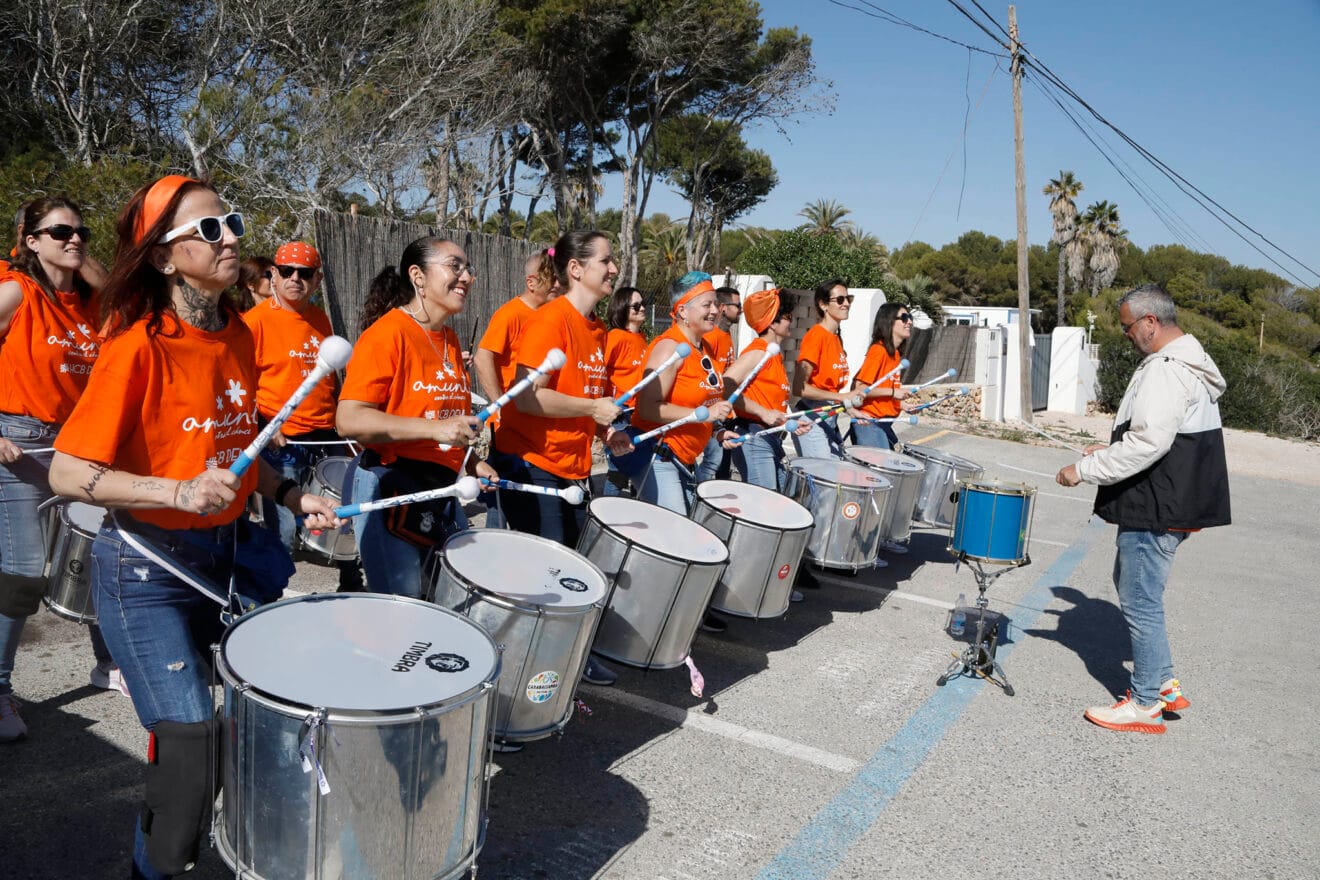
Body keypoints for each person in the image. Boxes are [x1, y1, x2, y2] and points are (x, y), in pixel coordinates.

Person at [48, 175, 341, 878]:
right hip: (146, 571)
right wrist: (174, 491)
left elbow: (237, 453)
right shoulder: (136, 344)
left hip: (228, 556)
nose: (231, 237)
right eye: (209, 230)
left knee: (268, 725)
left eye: (231, 221)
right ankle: (155, 867)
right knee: (190, 747)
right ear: (162, 257)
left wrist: (292, 494)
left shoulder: (238, 334)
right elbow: (66, 472)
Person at [1055, 284, 1230, 735]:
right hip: (1172, 497)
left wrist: (1085, 468)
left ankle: (1146, 701)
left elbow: (1151, 443)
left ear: (1151, 322)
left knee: (1139, 597)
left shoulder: (1168, 369)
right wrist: (1110, 446)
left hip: (1156, 502)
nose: (1127, 335)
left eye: (1128, 326)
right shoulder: (1187, 363)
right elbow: (1160, 436)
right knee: (1136, 588)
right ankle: (1164, 682)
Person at [0, 197, 122, 744]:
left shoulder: (94, 305)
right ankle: (0, 691)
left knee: (101, 552)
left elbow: (125, 293)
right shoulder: (17, 293)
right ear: (30, 241)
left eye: (81, 231)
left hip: (77, 446)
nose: (74, 240)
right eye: (59, 232)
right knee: (25, 569)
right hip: (20, 444)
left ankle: (106, 664)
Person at [489, 230, 631, 686]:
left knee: (567, 570)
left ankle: (556, 660)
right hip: (532, 463)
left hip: (572, 467)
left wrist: (606, 430)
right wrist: (592, 409)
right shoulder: (551, 320)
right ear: (575, 268)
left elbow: (585, 394)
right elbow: (528, 399)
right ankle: (520, 672)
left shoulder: (597, 330)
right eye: (605, 261)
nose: (613, 268)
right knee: (550, 577)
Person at [336, 236, 497, 599]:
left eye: (468, 268)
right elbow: (349, 419)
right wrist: (436, 429)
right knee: (403, 611)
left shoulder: (449, 340)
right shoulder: (387, 334)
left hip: (442, 486)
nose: (467, 277)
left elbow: (443, 414)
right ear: (418, 276)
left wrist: (471, 464)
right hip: (392, 485)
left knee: (446, 600)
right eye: (455, 266)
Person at [244, 241, 363, 591]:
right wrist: (264, 423)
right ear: (273, 275)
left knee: (342, 517)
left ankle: (352, 585)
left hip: (326, 436)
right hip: (283, 442)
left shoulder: (319, 318)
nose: (295, 279)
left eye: (305, 273)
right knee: (282, 530)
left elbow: (330, 379)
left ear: (317, 279)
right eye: (286, 271)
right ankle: (270, 597)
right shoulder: (255, 323)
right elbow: (237, 385)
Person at [633, 272, 735, 632]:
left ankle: (676, 612)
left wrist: (718, 430)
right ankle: (655, 619)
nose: (715, 311)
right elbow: (647, 408)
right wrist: (702, 415)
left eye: (715, 304)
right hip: (658, 455)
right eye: (707, 304)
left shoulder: (703, 348)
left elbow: (705, 403)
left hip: (684, 458)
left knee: (679, 534)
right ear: (681, 310)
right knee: (675, 536)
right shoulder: (667, 346)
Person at [473, 249, 557, 405]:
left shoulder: (551, 315)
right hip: (510, 418)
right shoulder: (510, 314)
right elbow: (482, 358)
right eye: (550, 278)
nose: (557, 284)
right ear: (531, 282)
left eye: (559, 278)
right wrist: (499, 405)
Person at [791, 279, 861, 459]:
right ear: (823, 305)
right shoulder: (816, 337)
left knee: (837, 477)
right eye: (840, 300)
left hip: (829, 417)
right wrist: (841, 397)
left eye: (848, 298)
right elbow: (799, 388)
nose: (846, 304)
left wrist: (850, 408)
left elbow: (830, 390)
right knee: (824, 482)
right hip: (812, 419)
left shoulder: (835, 338)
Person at [849, 302, 917, 451]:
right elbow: (860, 388)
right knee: (878, 472)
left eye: (910, 317)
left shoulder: (895, 354)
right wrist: (893, 393)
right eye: (904, 317)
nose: (909, 322)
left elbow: (881, 389)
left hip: (882, 423)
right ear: (889, 321)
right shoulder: (878, 351)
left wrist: (901, 405)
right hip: (868, 423)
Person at [602, 285, 648, 496]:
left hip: (638, 413)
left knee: (635, 468)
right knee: (618, 471)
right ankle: (606, 514)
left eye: (643, 304)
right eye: (636, 306)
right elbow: (601, 369)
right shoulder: (616, 337)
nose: (642, 309)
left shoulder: (642, 339)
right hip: (621, 413)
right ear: (622, 309)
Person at [695, 285, 742, 482]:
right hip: (712, 409)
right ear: (723, 307)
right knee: (714, 457)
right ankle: (699, 489)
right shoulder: (711, 337)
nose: (741, 310)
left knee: (721, 458)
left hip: (723, 409)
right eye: (738, 306)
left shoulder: (726, 335)